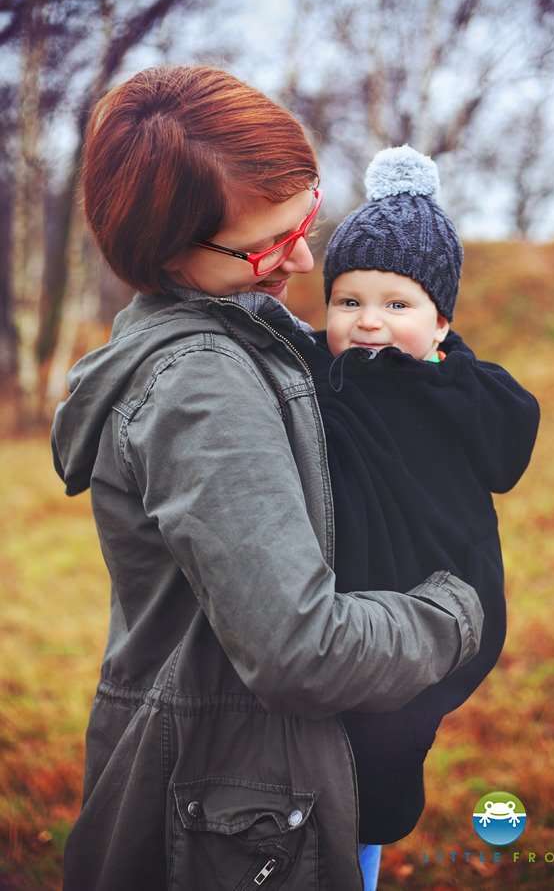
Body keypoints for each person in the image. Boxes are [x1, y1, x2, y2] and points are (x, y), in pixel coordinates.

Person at [51, 66, 484, 891]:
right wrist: (459, 610)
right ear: (163, 251)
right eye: (266, 245)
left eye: (307, 215)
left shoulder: (246, 329)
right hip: (235, 820)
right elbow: (302, 650)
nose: (305, 255)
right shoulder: (201, 386)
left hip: (269, 794)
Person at [267, 146, 540, 877]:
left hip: (440, 594)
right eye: (349, 302)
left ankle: (361, 855)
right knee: (334, 758)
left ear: (442, 320)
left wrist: (450, 375)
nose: (368, 323)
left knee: (384, 757)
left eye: (398, 304)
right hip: (355, 602)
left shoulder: (459, 386)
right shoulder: (327, 377)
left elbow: (509, 447)